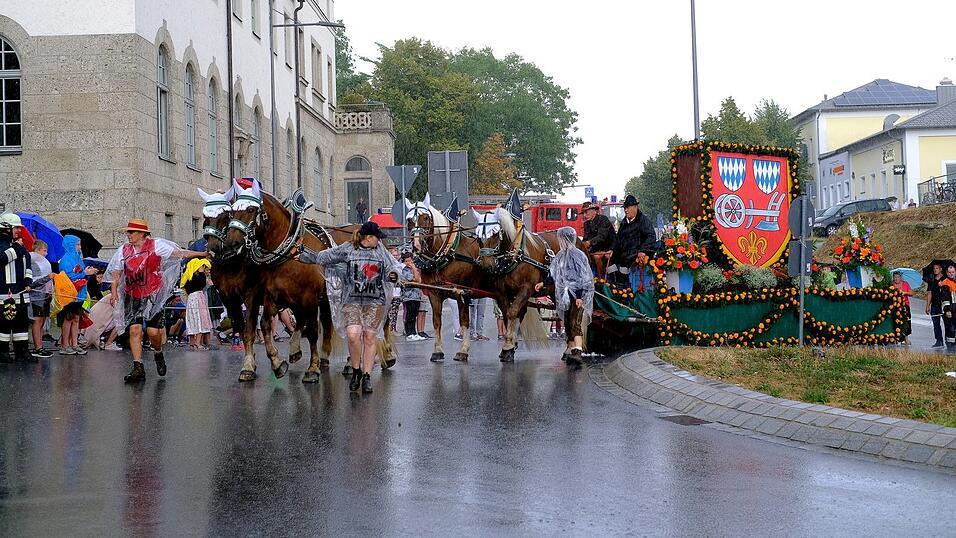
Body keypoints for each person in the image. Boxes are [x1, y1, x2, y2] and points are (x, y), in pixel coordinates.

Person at [298, 221, 404, 393]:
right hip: (352, 300)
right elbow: (325, 257)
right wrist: (303, 255)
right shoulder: (348, 248)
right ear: (369, 238)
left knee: (369, 338)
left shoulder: (381, 251)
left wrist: (393, 275)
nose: (380, 241)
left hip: (375, 302)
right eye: (378, 238)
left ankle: (367, 376)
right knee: (353, 335)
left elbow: (393, 266)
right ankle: (356, 370)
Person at [108, 219, 208, 383]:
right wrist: (114, 293)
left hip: (153, 294)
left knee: (153, 332)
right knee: (134, 330)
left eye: (131, 232)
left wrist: (201, 254)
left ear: (142, 234)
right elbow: (116, 273)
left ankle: (158, 351)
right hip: (132, 294)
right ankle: (138, 367)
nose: (128, 235)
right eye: (128, 232)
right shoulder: (123, 250)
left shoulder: (157, 246)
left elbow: (180, 253)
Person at [535, 226, 594, 368]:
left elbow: (581, 277)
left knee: (575, 322)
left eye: (561, 239)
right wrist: (543, 283)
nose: (559, 241)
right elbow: (554, 274)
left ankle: (578, 350)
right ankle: (571, 347)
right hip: (566, 295)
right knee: (567, 321)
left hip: (578, 295)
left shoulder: (578, 255)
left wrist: (579, 296)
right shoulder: (560, 256)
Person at [0, 213, 33, 362]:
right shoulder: (3, 244)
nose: (19, 231)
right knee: (4, 325)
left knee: (21, 324)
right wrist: (17, 249)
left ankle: (22, 352)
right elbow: (1, 259)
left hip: (21, 292)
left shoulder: (20, 246)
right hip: (5, 294)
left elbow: (28, 266)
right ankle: (3, 353)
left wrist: (28, 281)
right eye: (16, 228)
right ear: (6, 228)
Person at [57, 235, 95, 356]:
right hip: (69, 294)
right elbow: (67, 276)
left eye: (79, 244)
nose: (79, 247)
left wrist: (86, 272)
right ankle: (65, 345)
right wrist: (85, 272)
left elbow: (80, 274)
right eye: (77, 244)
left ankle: (75, 344)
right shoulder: (65, 260)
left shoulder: (78, 258)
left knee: (76, 318)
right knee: (68, 319)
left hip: (79, 293)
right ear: (71, 245)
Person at [608, 194, 656, 288]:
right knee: (610, 258)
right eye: (625, 208)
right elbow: (618, 239)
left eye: (628, 208)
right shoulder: (624, 222)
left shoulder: (643, 220)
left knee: (624, 258)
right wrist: (612, 250)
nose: (625, 210)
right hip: (624, 250)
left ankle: (624, 284)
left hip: (637, 251)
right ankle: (614, 281)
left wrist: (643, 250)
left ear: (635, 207)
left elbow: (651, 237)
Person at [29, 240, 55, 358]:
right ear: (37, 250)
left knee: (42, 321)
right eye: (44, 251)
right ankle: (37, 347)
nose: (46, 253)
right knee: (37, 321)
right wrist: (47, 278)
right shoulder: (33, 262)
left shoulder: (44, 262)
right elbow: (32, 282)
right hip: (36, 296)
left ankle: (40, 345)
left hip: (45, 295)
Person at [181, 258, 213, 350]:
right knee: (200, 319)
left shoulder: (188, 277)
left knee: (192, 320)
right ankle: (198, 343)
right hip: (199, 298)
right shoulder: (201, 276)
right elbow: (202, 287)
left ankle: (192, 343)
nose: (206, 270)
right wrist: (207, 281)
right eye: (205, 267)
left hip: (191, 299)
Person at [581, 201, 616, 274]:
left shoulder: (603, 219)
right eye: (583, 213)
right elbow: (585, 238)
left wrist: (589, 242)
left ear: (593, 211)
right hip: (595, 249)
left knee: (597, 257)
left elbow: (602, 237)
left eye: (586, 212)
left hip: (609, 248)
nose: (584, 215)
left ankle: (601, 280)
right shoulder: (586, 224)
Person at [400, 252, 424, 341]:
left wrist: (414, 269)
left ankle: (414, 332)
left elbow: (419, 280)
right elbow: (415, 280)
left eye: (410, 261)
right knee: (409, 315)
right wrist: (414, 269)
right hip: (408, 296)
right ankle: (409, 333)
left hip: (416, 296)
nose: (408, 263)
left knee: (414, 315)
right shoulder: (405, 270)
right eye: (406, 261)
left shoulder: (415, 269)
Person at [926, 262, 946, 348]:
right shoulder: (932, 279)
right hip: (934, 304)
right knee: (935, 323)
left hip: (944, 304)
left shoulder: (945, 278)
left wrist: (942, 285)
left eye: (937, 268)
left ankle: (949, 341)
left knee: (947, 323)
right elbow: (930, 293)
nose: (935, 270)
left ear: (941, 269)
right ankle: (939, 340)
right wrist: (927, 305)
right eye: (934, 269)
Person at [892, 272, 913, 345]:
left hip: (905, 305)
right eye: (895, 277)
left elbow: (911, 293)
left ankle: (906, 338)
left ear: (900, 278)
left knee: (906, 322)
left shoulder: (905, 283)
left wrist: (904, 293)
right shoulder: (891, 284)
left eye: (898, 277)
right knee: (895, 321)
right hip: (894, 305)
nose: (896, 278)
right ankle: (895, 339)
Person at [939, 265, 956, 352]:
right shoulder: (945, 283)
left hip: (955, 309)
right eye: (949, 272)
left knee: (954, 328)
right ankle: (950, 347)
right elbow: (945, 298)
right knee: (950, 328)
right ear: (946, 273)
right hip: (949, 310)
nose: (951, 274)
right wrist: (947, 310)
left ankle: (953, 346)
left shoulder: (954, 282)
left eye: (953, 272)